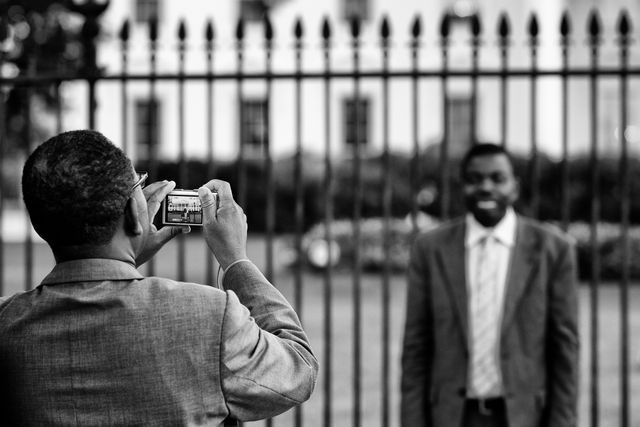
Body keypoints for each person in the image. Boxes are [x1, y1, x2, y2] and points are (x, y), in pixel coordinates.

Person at [0, 130, 318, 425]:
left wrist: (121, 260)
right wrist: (236, 259)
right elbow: (297, 370)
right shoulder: (207, 315)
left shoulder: (7, 323)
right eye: (138, 185)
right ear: (129, 214)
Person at [401, 143, 579, 427]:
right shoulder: (429, 249)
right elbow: (416, 348)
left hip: (525, 416)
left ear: (515, 187)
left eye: (498, 178)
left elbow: (565, 350)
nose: (486, 187)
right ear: (462, 187)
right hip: (451, 415)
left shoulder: (554, 250)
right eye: (474, 179)